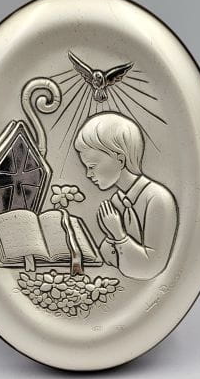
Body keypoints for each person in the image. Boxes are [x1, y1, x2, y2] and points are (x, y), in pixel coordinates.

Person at [74, 113, 178, 280]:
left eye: (92, 166)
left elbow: (150, 268)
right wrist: (111, 236)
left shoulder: (158, 199)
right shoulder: (117, 201)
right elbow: (107, 260)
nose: (88, 174)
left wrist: (118, 235)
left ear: (120, 159)